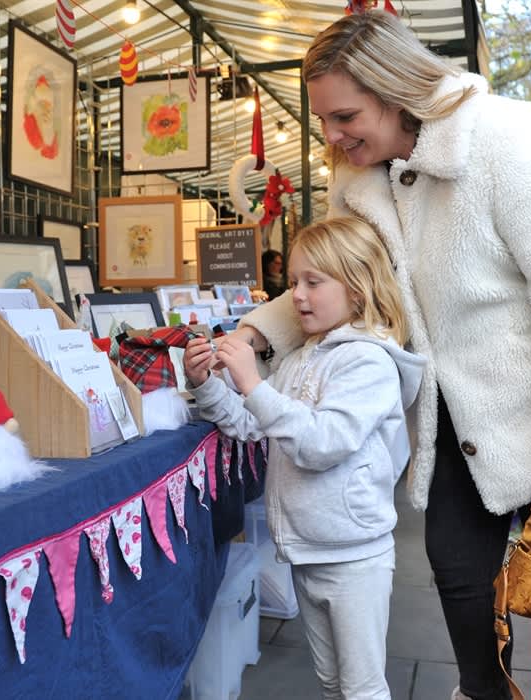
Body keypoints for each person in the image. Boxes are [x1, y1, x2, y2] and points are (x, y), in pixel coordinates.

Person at [214, 10, 531, 699]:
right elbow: (341, 280)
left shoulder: (506, 136)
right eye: (324, 119)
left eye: (345, 116)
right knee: (458, 578)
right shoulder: (357, 176)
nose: (330, 136)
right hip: (448, 418)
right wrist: (257, 334)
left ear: (396, 91)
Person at [184, 217, 425, 700]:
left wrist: (252, 383)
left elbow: (322, 443)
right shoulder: (302, 357)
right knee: (334, 683)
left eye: (313, 282)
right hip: (307, 550)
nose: (296, 295)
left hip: (354, 557)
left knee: (361, 688)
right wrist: (206, 385)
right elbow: (251, 424)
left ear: (358, 289)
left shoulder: (369, 362)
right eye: (294, 281)